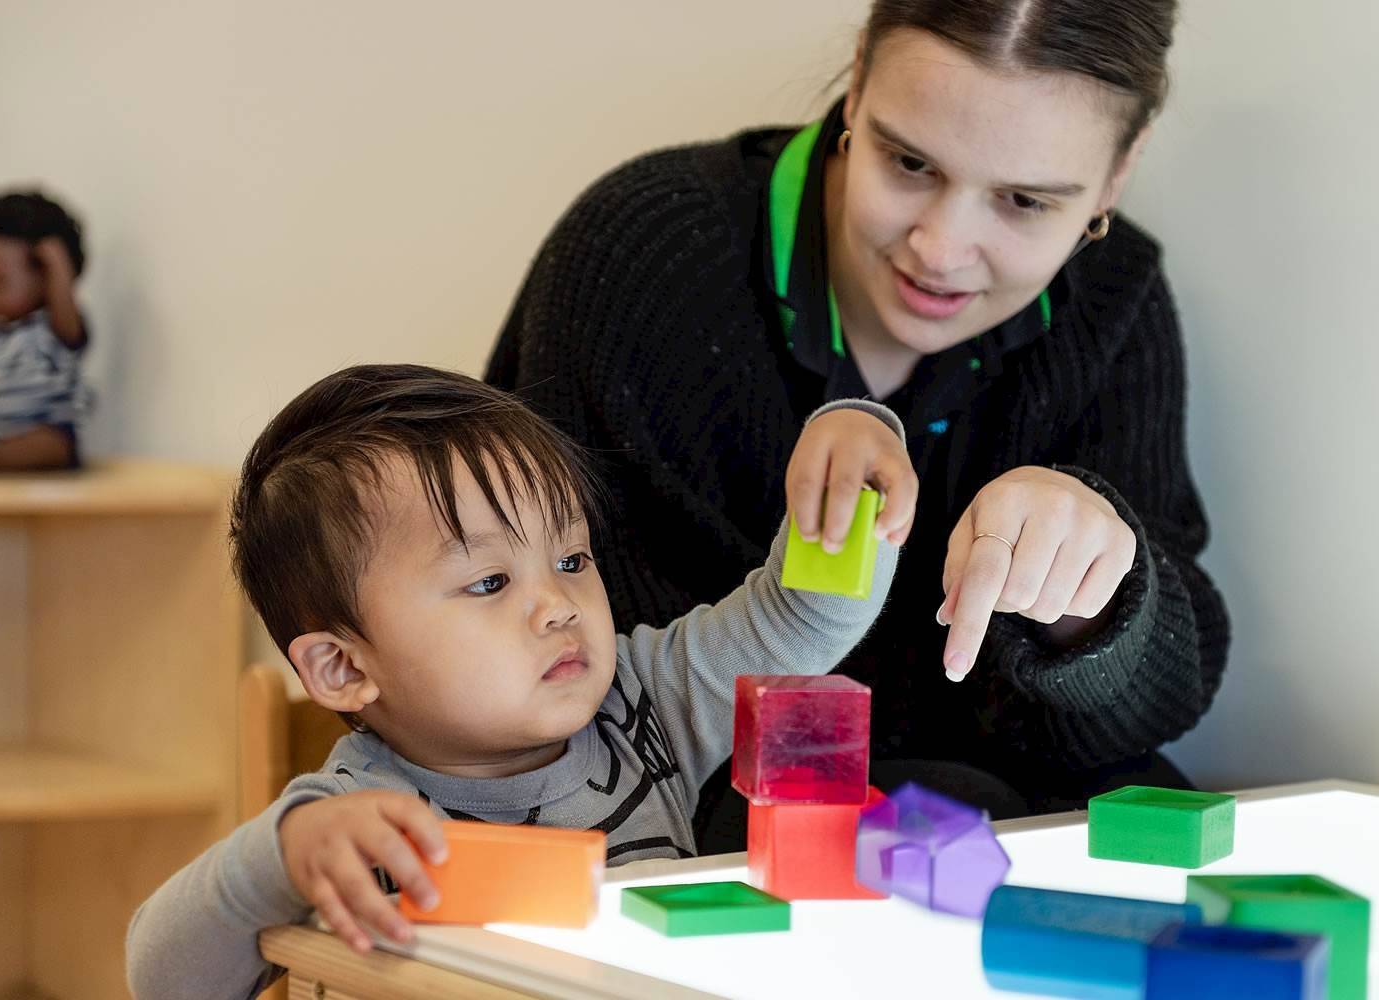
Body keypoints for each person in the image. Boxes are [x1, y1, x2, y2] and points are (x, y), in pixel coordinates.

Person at [485, 0, 1230, 850]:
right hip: (676, 823)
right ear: (859, 78)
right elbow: (558, 691)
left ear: (1118, 173)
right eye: (909, 162)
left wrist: (1088, 605)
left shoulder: (1114, 299)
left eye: (1025, 201)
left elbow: (1168, 696)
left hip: (999, 821)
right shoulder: (645, 251)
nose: (940, 250)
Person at [125, 364, 912, 1000]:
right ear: (345, 667)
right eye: (490, 582)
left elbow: (796, 619)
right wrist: (278, 858)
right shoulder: (352, 826)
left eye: (571, 559)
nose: (558, 605)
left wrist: (855, 469)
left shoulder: (647, 701)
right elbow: (162, 979)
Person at [0, 189, 89, 470]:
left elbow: (70, 327)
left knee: (51, 445)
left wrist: (58, 265)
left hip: (40, 431)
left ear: (46, 275)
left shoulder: (51, 331)